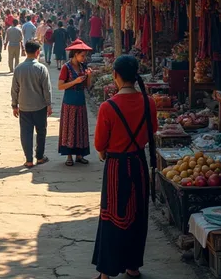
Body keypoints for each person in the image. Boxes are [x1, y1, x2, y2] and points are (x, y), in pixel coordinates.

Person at [92, 55, 158, 279]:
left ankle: (106, 272)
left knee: (112, 217)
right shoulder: (149, 103)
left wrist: (104, 152)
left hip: (116, 166)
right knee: (138, 216)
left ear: (115, 75)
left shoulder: (108, 107)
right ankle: (133, 266)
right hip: (138, 163)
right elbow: (152, 132)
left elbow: (100, 144)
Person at [11, 41, 52, 168]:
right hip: (39, 106)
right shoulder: (41, 68)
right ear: (37, 52)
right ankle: (39, 157)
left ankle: (28, 160)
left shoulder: (18, 69)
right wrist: (49, 104)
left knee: (26, 133)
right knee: (41, 132)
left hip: (24, 107)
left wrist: (14, 105)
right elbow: (47, 89)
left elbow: (14, 89)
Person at [58, 40, 92, 166]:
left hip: (81, 100)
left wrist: (89, 76)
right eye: (82, 55)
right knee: (70, 128)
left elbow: (87, 86)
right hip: (69, 101)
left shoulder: (83, 67)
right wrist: (75, 81)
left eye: (85, 56)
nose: (84, 58)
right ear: (75, 54)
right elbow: (60, 86)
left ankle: (79, 155)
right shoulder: (66, 68)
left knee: (81, 127)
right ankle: (69, 156)